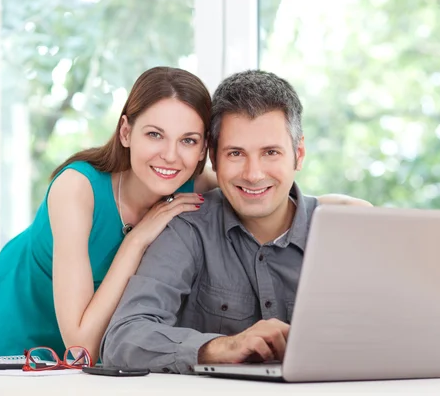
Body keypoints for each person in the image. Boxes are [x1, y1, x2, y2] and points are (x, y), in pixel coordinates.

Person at [100, 70, 372, 374]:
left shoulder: (344, 233)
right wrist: (218, 347)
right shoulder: (186, 228)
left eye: (271, 152)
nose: (253, 174)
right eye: (235, 153)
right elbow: (123, 339)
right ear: (213, 159)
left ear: (298, 154)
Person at [0, 67, 214, 361]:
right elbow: (80, 349)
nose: (171, 155)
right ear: (126, 132)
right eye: (154, 135)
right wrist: (136, 241)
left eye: (188, 140)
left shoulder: (197, 188)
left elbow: (263, 191)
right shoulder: (76, 188)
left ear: (203, 149)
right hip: (18, 321)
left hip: (99, 337)